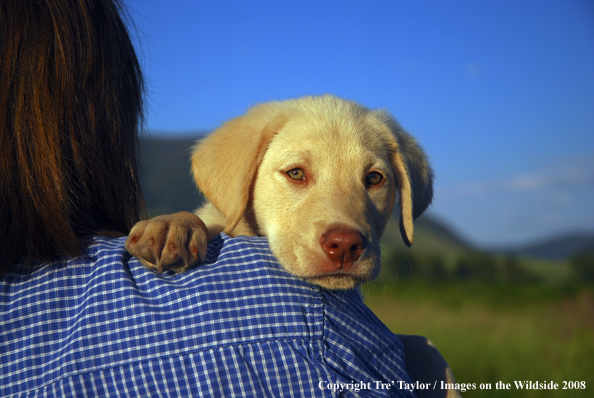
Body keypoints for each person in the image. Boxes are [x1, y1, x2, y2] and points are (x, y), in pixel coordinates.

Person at [0, 1, 456, 397]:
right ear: (243, 175)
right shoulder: (303, 321)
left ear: (402, 191)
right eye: (296, 174)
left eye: (373, 179)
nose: (344, 228)